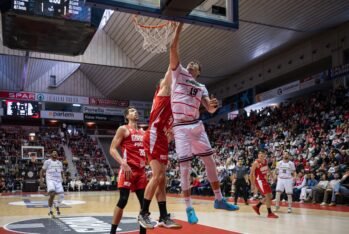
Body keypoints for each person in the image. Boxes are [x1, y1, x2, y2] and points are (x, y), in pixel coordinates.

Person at [169, 22, 239, 224]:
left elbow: (209, 108)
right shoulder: (178, 73)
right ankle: (189, 207)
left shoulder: (201, 86)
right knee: (185, 167)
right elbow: (173, 49)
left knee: (210, 162)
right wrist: (179, 28)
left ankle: (219, 199)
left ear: (199, 71)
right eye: (189, 63)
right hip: (181, 127)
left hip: (196, 125)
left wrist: (213, 107)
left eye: (194, 65)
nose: (190, 64)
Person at [138, 66, 181, 229]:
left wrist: (170, 135)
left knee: (162, 179)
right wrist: (173, 49)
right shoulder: (162, 91)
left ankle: (163, 216)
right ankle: (143, 213)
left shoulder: (172, 105)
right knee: (157, 176)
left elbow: (171, 130)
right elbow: (170, 71)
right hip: (154, 135)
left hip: (162, 138)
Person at [109, 107, 147, 234]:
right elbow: (112, 149)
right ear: (126, 116)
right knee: (123, 200)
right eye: (131, 111)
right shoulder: (123, 129)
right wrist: (123, 164)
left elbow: (147, 151)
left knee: (144, 205)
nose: (135, 112)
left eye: (136, 111)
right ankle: (112, 232)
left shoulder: (143, 132)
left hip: (141, 171)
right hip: (128, 170)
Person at [250, 150, 278, 218]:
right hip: (259, 181)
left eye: (262, 155)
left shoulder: (265, 161)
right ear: (258, 156)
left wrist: (272, 176)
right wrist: (252, 185)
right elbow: (251, 174)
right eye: (260, 155)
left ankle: (257, 206)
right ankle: (269, 213)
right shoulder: (256, 163)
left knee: (270, 196)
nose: (261, 156)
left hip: (264, 180)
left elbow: (267, 168)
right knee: (268, 196)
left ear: (264, 156)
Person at [40, 151, 65, 218]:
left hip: (58, 181)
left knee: (62, 196)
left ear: (57, 155)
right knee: (52, 194)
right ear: (51, 154)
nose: (55, 154)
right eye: (53, 153)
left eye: (56, 153)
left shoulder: (59, 163)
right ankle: (50, 211)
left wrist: (64, 177)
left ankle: (56, 205)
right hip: (50, 180)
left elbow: (62, 171)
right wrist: (41, 181)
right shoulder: (47, 162)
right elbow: (41, 171)